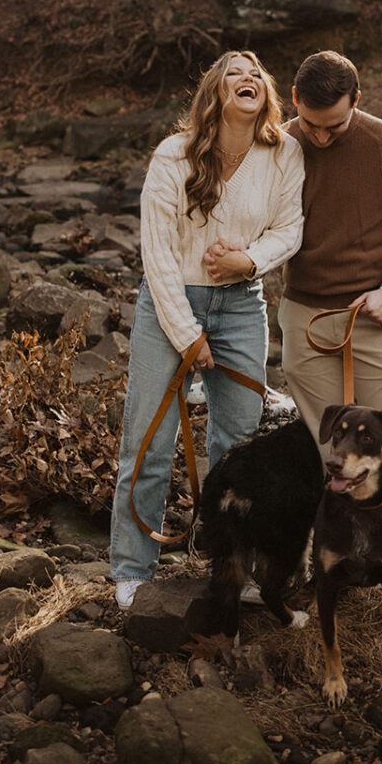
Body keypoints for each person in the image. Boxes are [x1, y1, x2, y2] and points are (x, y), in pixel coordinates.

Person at [110, 50, 305, 611]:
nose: (246, 77)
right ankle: (131, 569)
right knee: (147, 440)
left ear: (266, 92)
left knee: (239, 446)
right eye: (233, 72)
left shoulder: (284, 152)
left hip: (243, 305)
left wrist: (248, 261)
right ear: (214, 93)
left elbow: (290, 227)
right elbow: (158, 255)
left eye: (255, 73)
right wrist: (186, 332)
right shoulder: (174, 155)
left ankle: (228, 566)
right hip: (170, 302)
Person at [279, 50, 382, 575]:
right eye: (312, 125)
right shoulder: (276, 146)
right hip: (306, 317)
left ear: (358, 102)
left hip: (378, 316)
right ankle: (328, 568)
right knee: (324, 455)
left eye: (336, 125)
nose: (321, 137)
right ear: (294, 99)